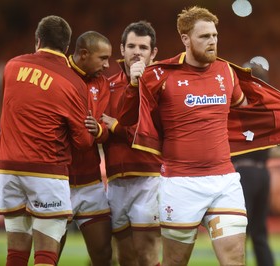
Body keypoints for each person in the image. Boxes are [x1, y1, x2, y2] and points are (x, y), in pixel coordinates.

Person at [118, 6, 280, 266]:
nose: (212, 41)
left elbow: (250, 111)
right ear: (186, 39)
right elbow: (126, 119)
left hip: (224, 180)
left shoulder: (226, 72)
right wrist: (133, 87)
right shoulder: (161, 75)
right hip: (181, 183)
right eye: (204, 37)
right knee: (174, 262)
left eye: (214, 35)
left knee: (234, 258)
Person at [0, 15, 95, 266]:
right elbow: (82, 141)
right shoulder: (74, 82)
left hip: (8, 170)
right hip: (46, 172)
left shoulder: (12, 66)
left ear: (37, 40)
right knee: (46, 252)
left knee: (16, 252)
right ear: (66, 47)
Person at [101, 21, 162, 266]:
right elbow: (101, 127)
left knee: (146, 255)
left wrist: (117, 127)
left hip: (148, 178)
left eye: (144, 47)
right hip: (115, 180)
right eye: (132, 46)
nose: (137, 52)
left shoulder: (161, 85)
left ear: (153, 53)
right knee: (124, 257)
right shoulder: (107, 85)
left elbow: (155, 134)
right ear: (122, 50)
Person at [59, 31, 113, 266]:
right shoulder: (58, 74)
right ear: (83, 54)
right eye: (102, 58)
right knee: (49, 255)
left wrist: (99, 130)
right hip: (58, 181)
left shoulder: (101, 83)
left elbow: (102, 124)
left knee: (103, 255)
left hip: (90, 181)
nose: (107, 64)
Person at [231, 60, 275, 266]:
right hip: (263, 173)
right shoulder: (269, 108)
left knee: (239, 231)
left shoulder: (238, 107)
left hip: (243, 173)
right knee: (260, 233)